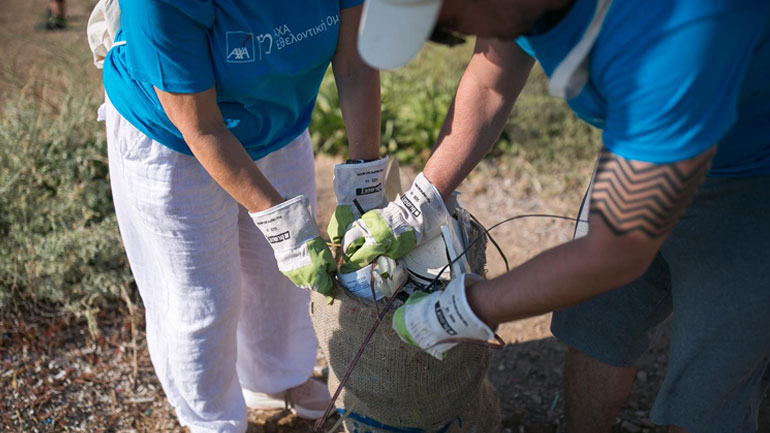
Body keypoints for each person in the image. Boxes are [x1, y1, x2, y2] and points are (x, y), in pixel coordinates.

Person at [336, 1, 770, 432]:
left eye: (449, 24)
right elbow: (489, 85)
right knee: (597, 323)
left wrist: (467, 307)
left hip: (752, 180)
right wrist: (422, 201)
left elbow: (616, 250)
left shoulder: (675, 29)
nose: (457, 38)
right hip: (642, 151)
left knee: (707, 394)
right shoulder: (513, 11)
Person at [99, 1, 384, 432]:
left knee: (281, 279)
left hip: (277, 123)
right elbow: (202, 126)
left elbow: (355, 64)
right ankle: (212, 418)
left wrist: (364, 187)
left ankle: (277, 379)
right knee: (203, 299)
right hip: (173, 136)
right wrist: (284, 227)